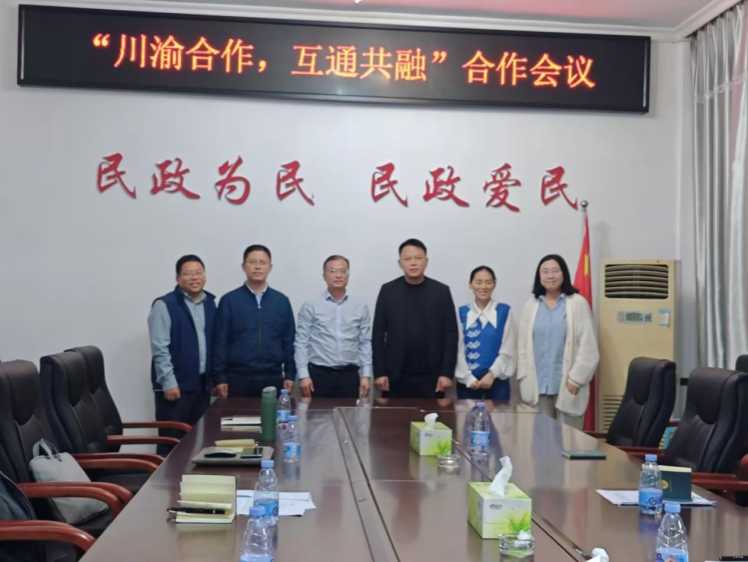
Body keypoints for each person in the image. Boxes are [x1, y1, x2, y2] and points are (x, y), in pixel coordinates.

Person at [517, 254, 599, 430]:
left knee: (568, 442)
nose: (550, 276)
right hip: (537, 387)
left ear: (564, 274)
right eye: (545, 272)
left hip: (567, 387)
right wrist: (524, 378)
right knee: (539, 442)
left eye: (555, 271)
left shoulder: (577, 303)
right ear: (539, 276)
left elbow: (589, 348)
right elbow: (522, 348)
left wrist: (575, 381)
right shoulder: (531, 305)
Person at [373, 239, 458, 399]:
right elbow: (378, 334)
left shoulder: (441, 292)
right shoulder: (388, 291)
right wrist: (379, 372)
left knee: (433, 415)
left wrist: (447, 373)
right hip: (395, 376)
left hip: (433, 376)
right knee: (393, 416)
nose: (413, 263)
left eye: (418, 258)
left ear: (426, 261)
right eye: (407, 259)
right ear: (400, 263)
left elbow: (451, 334)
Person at [148, 255, 216, 455]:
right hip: (175, 387)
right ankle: (163, 477)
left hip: (201, 386)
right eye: (188, 273)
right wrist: (168, 382)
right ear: (178, 278)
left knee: (199, 442)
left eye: (199, 273)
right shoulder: (164, 305)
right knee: (171, 443)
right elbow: (160, 347)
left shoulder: (210, 304)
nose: (194, 277)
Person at [211, 245, 296, 398]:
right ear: (243, 266)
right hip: (237, 377)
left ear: (270, 267)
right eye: (252, 262)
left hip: (273, 376)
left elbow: (289, 340)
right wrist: (220, 377)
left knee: (271, 414)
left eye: (262, 262)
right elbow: (220, 341)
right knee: (237, 414)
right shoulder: (229, 300)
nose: (257, 267)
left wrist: (290, 373)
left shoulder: (281, 301)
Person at [295, 255, 373, 399]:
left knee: (349, 414)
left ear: (348, 275)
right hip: (318, 376)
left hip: (349, 376)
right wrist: (303, 375)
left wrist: (366, 375)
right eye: (332, 271)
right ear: (324, 276)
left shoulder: (360, 306)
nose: (338, 275)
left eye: (343, 271)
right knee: (316, 414)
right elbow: (301, 342)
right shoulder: (311, 305)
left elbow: (365, 343)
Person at [455, 266, 516, 400]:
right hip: (468, 383)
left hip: (497, 382)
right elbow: (458, 350)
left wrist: (492, 374)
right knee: (467, 414)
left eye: (488, 282)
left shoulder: (504, 311)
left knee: (500, 414)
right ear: (470, 285)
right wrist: (468, 378)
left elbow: (508, 349)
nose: (483, 287)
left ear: (494, 284)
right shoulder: (461, 313)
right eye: (478, 282)